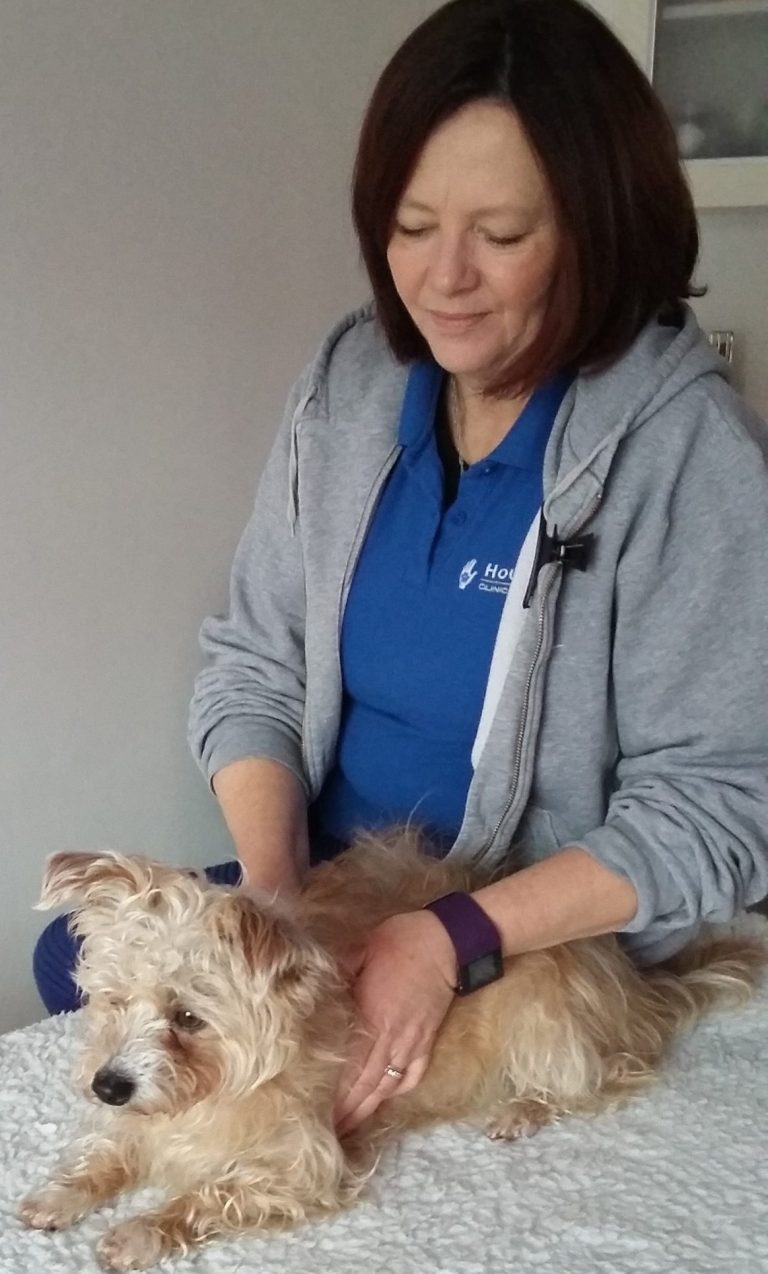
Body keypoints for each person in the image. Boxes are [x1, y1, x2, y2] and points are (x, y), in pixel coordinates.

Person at [35, 0, 768, 1138]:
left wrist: (450, 936)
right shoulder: (350, 386)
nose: (444, 279)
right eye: (412, 226)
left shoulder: (686, 453)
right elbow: (255, 665)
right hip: (337, 884)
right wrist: (275, 901)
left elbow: (720, 807)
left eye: (502, 235)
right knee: (73, 962)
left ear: (600, 227)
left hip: (531, 933)